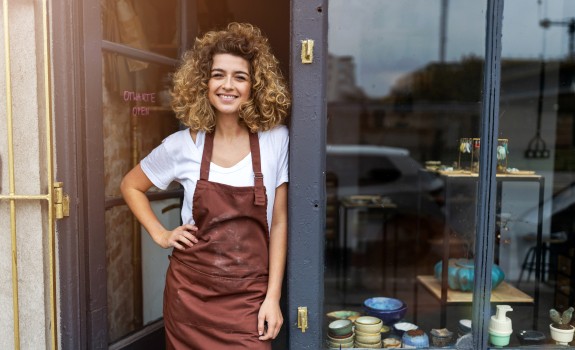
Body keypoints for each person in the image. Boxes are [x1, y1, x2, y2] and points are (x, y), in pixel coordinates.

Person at [120, 22, 290, 349]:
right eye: (218, 75)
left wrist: (273, 297)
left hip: (248, 299)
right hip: (190, 297)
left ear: (255, 85)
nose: (228, 85)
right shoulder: (183, 145)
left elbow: (279, 222)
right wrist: (161, 234)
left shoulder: (275, 140)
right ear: (204, 82)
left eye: (239, 76)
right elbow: (131, 185)